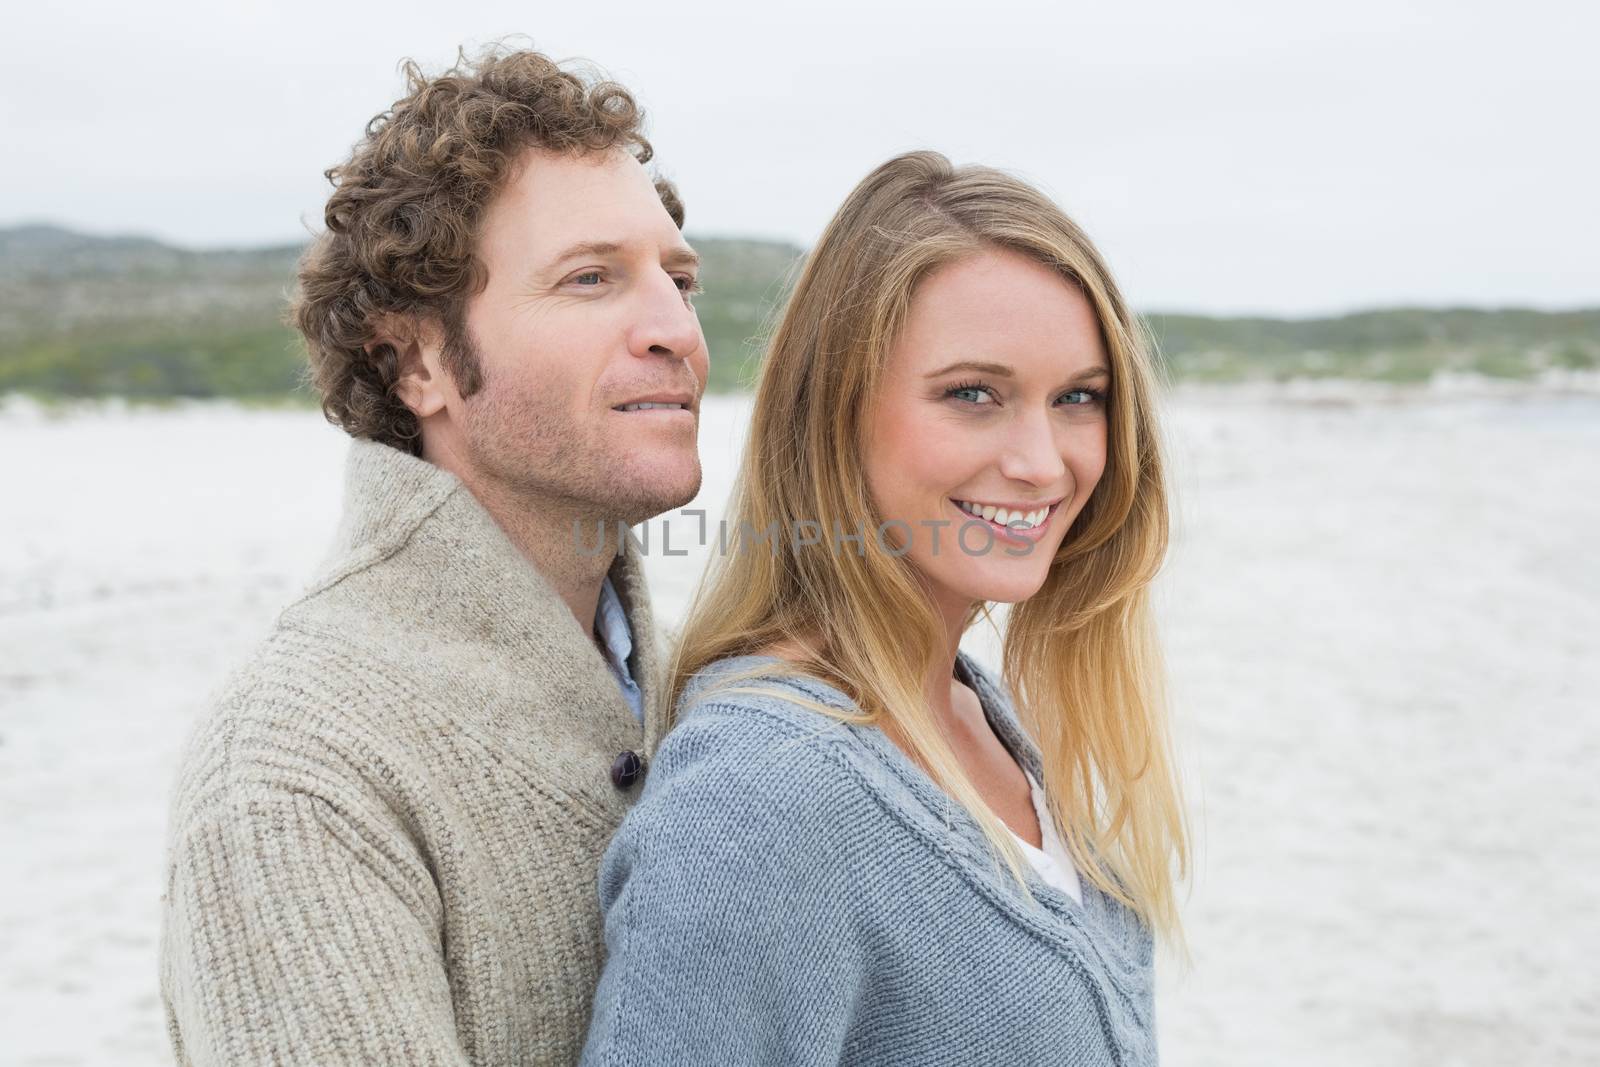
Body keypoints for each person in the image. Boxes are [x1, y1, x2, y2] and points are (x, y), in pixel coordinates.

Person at [158, 44, 708, 1065]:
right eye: (592, 279)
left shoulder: (704, 693)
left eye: (680, 278)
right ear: (415, 359)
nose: (676, 327)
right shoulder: (295, 771)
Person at [580, 151, 1189, 1066]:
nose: (1041, 460)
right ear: (837, 411)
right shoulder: (765, 796)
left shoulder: (989, 715)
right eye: (973, 394)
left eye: (1079, 398)